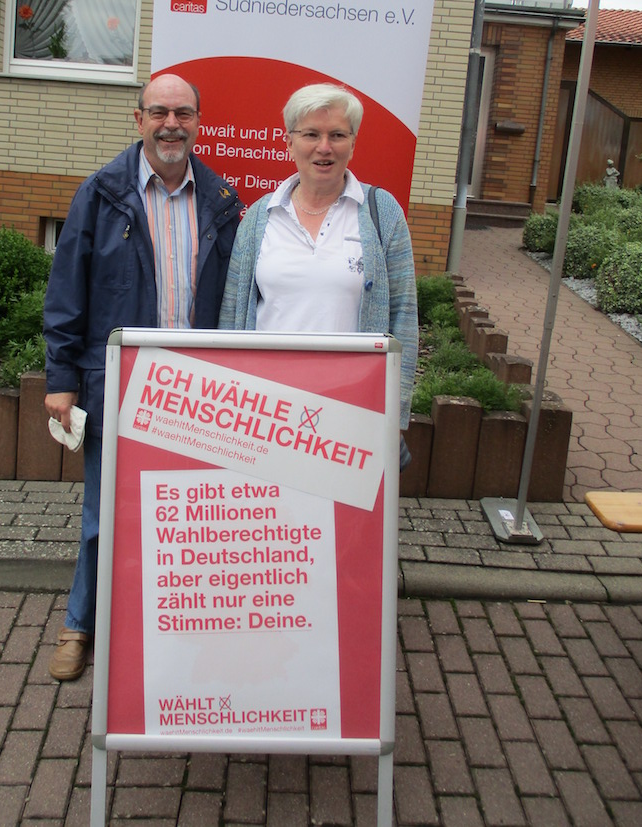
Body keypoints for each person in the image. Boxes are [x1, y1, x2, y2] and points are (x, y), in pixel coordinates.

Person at [43, 74, 241, 681]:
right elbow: (67, 291)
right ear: (139, 120)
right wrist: (61, 378)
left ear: (199, 121)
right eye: (159, 113)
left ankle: (172, 627)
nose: (171, 125)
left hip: (198, 391)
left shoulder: (222, 200)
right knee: (105, 514)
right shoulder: (101, 194)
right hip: (120, 383)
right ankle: (79, 625)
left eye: (183, 113)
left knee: (189, 516)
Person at [219, 82, 417, 448]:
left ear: (353, 144)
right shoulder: (260, 215)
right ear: (289, 142)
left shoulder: (381, 212)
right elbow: (232, 315)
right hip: (264, 408)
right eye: (311, 134)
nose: (324, 147)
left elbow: (403, 315)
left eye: (337, 135)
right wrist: (229, 396)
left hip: (350, 408)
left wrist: (395, 413)